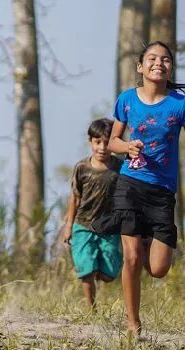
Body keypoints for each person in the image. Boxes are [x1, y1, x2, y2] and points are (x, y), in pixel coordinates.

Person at [92, 41, 185, 335]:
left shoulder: (179, 104)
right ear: (140, 66)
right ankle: (134, 325)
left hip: (162, 192)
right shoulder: (127, 100)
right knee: (131, 258)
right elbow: (114, 140)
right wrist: (126, 146)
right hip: (131, 184)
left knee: (158, 269)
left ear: (171, 67)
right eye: (152, 58)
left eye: (166, 59)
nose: (159, 62)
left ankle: (146, 237)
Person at [63, 118, 123, 310]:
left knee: (109, 275)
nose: (102, 147)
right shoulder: (82, 168)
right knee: (86, 270)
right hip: (83, 225)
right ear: (90, 141)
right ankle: (91, 307)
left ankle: (99, 269)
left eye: (107, 142)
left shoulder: (120, 168)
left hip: (109, 227)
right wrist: (69, 226)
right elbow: (75, 198)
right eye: (98, 142)